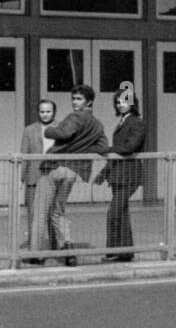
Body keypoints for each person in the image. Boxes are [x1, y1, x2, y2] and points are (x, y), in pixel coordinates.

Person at [41, 84, 109, 266]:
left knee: (43, 209)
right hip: (74, 172)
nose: (74, 102)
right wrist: (85, 148)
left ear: (89, 102)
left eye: (78, 99)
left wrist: (48, 130)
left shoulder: (75, 117)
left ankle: (40, 252)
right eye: (73, 98)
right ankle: (68, 249)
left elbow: (64, 132)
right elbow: (103, 147)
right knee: (58, 210)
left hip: (56, 167)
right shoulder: (97, 124)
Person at [94, 89, 146, 261]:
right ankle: (125, 252)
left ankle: (114, 251)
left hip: (129, 175)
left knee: (114, 213)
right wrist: (103, 174)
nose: (120, 105)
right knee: (122, 213)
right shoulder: (123, 122)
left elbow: (129, 147)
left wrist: (106, 149)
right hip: (119, 174)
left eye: (124, 101)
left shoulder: (137, 122)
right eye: (118, 102)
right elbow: (119, 152)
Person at [18, 100, 57, 263]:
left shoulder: (60, 129)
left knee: (53, 214)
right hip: (34, 177)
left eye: (48, 111)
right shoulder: (29, 130)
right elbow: (24, 154)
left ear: (54, 112)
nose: (45, 114)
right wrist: (22, 178)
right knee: (34, 215)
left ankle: (55, 247)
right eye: (42, 111)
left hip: (53, 177)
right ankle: (35, 250)